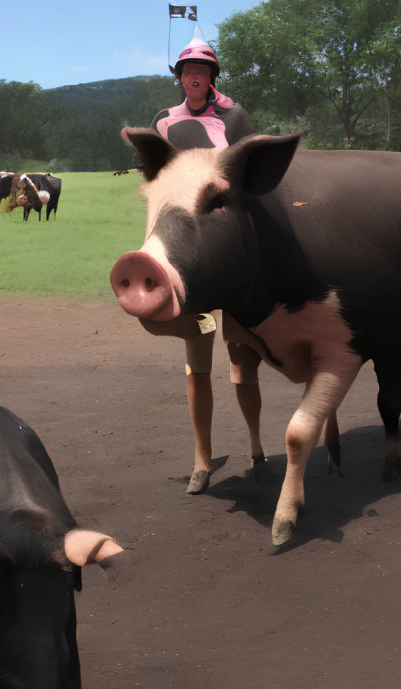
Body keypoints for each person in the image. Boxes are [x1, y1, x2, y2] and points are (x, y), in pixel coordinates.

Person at [142, 39, 265, 494]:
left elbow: (249, 184)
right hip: (185, 258)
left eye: (203, 69)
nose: (195, 75)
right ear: (179, 75)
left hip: (227, 258)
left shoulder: (234, 118)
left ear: (212, 76)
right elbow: (156, 180)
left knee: (241, 364)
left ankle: (255, 448)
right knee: (196, 368)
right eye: (188, 69)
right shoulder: (163, 122)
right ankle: (202, 459)